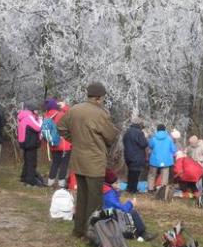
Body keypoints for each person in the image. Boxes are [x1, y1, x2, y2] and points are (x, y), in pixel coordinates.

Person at [57, 82, 118, 238]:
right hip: (95, 161)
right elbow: (111, 136)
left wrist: (75, 140)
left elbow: (61, 127)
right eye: (103, 98)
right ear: (99, 98)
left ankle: (78, 230)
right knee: (95, 198)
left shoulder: (74, 110)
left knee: (82, 196)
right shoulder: (101, 114)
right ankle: (93, 233)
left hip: (78, 159)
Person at [102, 168, 154, 241]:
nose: (118, 184)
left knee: (130, 211)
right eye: (116, 182)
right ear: (111, 183)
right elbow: (120, 209)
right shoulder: (108, 193)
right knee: (133, 212)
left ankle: (136, 231)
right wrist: (131, 203)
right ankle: (143, 233)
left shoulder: (105, 189)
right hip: (109, 216)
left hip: (106, 213)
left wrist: (116, 191)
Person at [44, 98, 72, 187]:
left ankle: (50, 181)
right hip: (64, 144)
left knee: (55, 163)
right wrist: (65, 107)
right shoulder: (61, 114)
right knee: (64, 164)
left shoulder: (47, 116)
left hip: (54, 143)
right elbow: (71, 115)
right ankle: (61, 183)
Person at [17, 101, 43, 187]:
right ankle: (30, 179)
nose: (37, 112)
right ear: (31, 110)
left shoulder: (24, 116)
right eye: (35, 110)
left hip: (26, 142)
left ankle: (24, 176)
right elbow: (38, 127)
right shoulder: (29, 117)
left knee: (27, 161)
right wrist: (40, 119)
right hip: (30, 143)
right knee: (32, 162)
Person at [147, 124, 176, 192]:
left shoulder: (153, 138)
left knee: (152, 174)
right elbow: (173, 149)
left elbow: (150, 146)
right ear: (164, 130)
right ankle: (163, 191)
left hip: (155, 159)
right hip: (166, 160)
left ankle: (150, 189)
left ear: (157, 129)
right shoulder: (169, 138)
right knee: (165, 176)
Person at [122, 117, 148, 193]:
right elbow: (144, 144)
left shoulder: (127, 132)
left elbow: (124, 141)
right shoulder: (139, 133)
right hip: (137, 155)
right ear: (139, 124)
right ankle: (133, 190)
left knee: (130, 172)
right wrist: (145, 138)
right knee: (135, 173)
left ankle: (129, 188)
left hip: (128, 155)